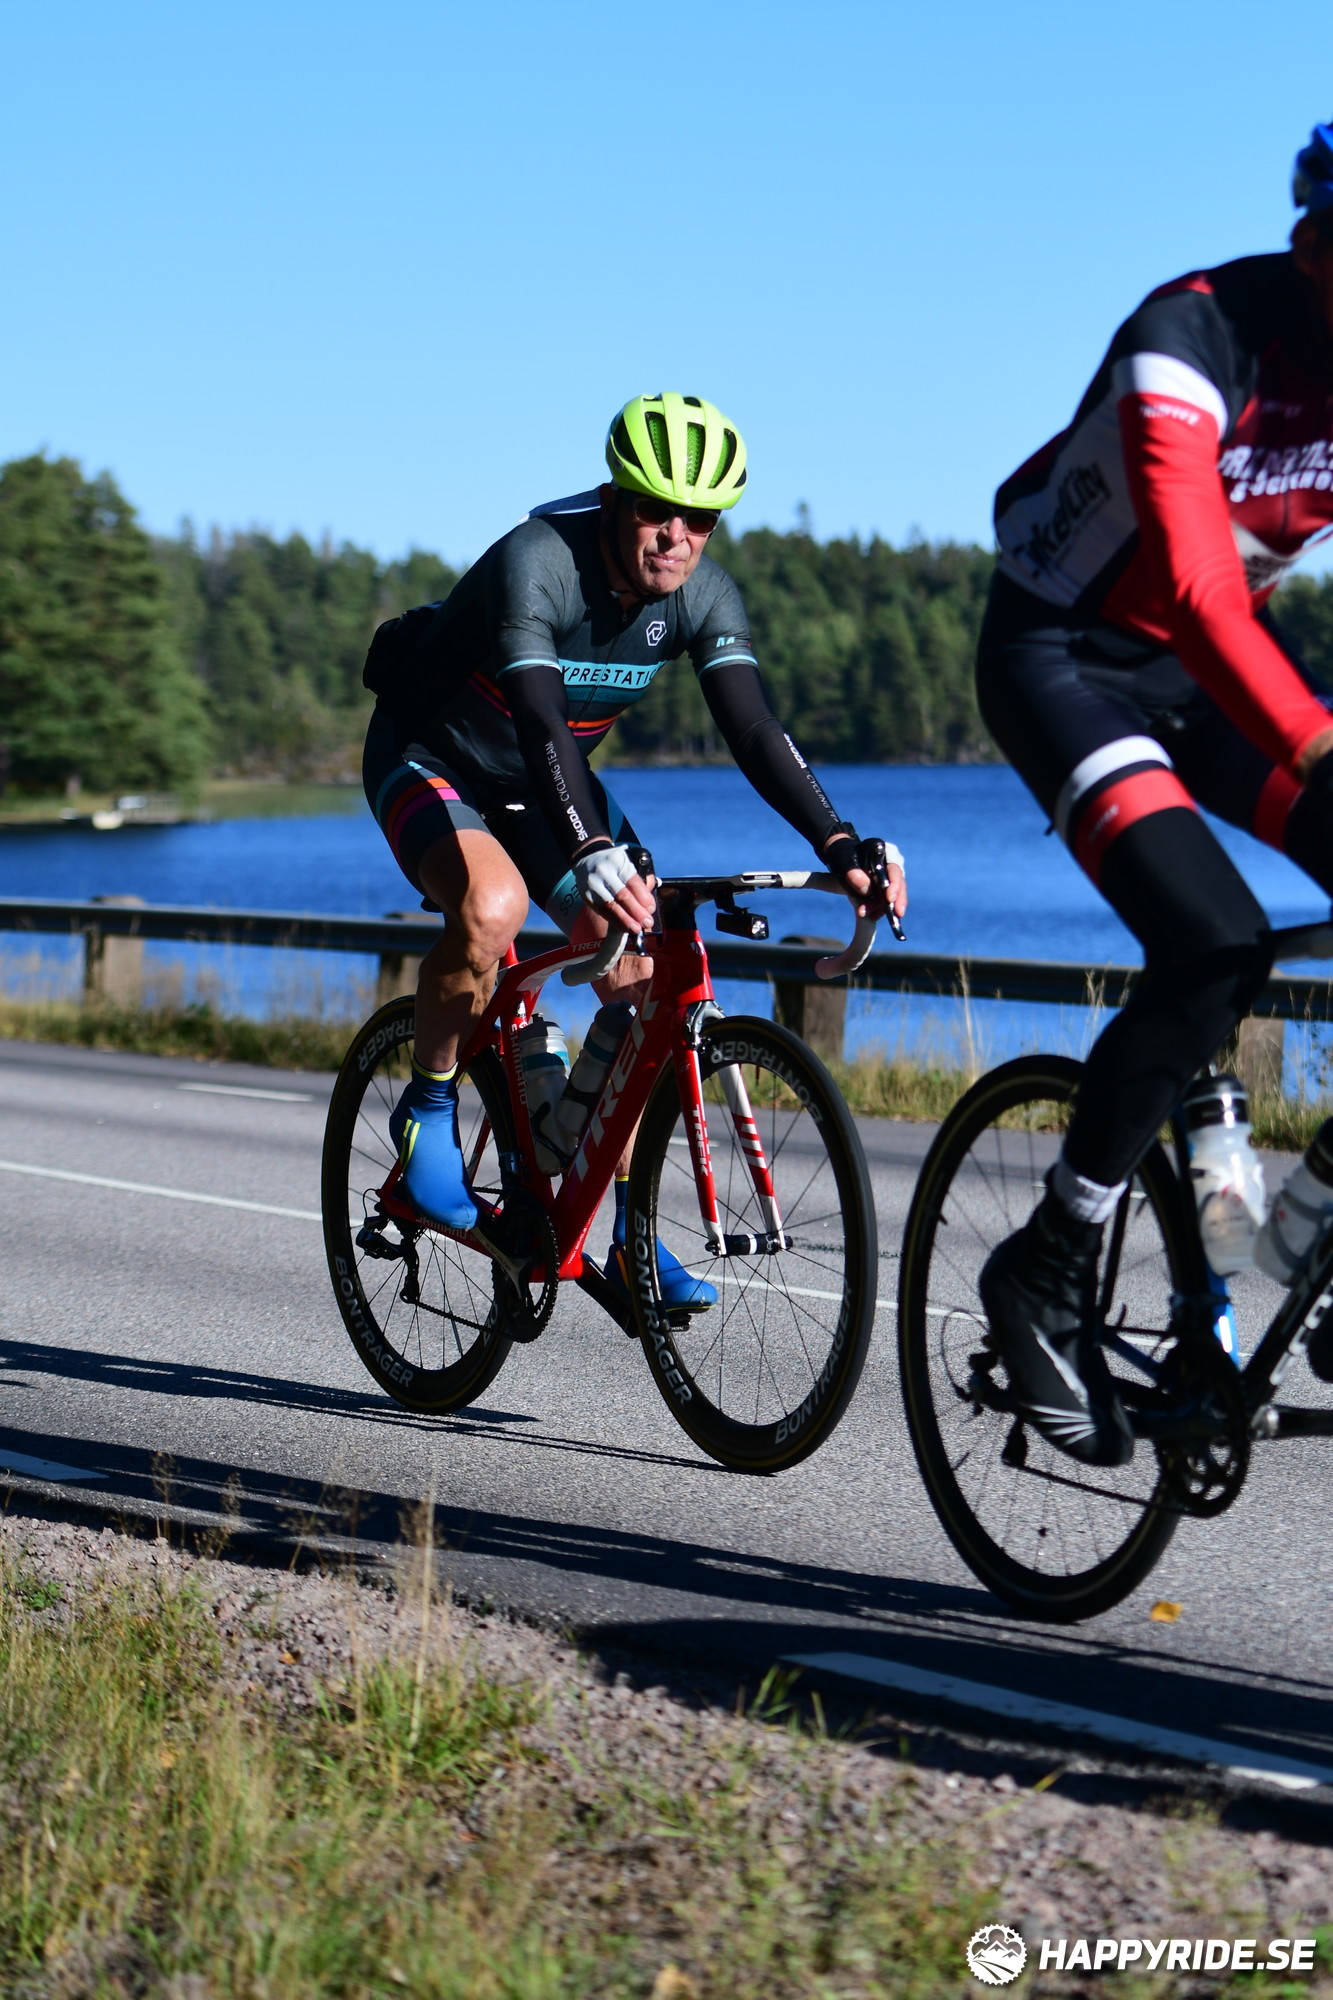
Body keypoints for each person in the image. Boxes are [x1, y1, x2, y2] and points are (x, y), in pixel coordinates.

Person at [362, 392, 906, 1308]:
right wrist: (589, 846)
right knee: (491, 911)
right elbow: (539, 717)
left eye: (701, 518)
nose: (676, 535)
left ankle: (618, 1226)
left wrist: (841, 841)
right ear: (616, 498)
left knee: (648, 977)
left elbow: (754, 730)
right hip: (433, 755)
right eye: (657, 509)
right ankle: (426, 1112)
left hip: (545, 780)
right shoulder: (537, 560)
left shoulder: (703, 594)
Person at [975, 121, 1333, 1466]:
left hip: (1207, 678)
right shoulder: (1187, 339)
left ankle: (1292, 1255)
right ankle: (1048, 1260)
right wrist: (1317, 744)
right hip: (1066, 660)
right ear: (1313, 244)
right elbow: (1192, 587)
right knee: (1215, 943)